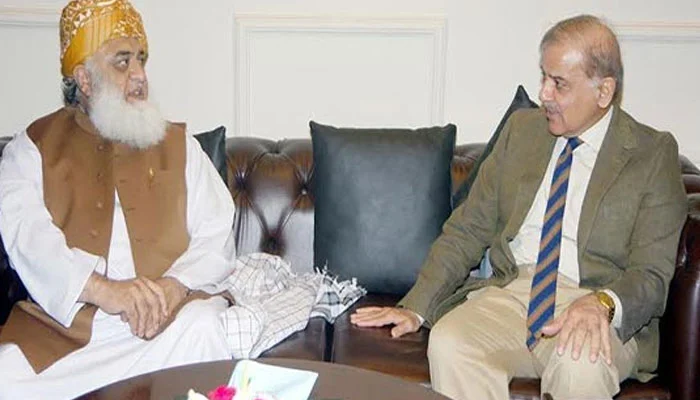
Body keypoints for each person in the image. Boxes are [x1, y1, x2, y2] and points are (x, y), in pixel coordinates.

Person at [351, 15, 687, 400]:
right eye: (544, 77)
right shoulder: (522, 132)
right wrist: (417, 307)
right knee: (450, 342)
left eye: (559, 83)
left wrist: (602, 304)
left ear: (604, 91)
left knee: (580, 363)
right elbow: (468, 229)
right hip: (512, 293)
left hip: (591, 304)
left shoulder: (651, 154)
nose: (544, 93)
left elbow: (651, 274)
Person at [0, 0, 236, 398]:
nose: (140, 75)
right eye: (123, 62)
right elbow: (29, 240)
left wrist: (174, 287)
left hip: (166, 325)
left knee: (205, 329)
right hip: (70, 334)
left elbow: (217, 234)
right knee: (6, 376)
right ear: (84, 78)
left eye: (141, 59)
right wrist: (105, 291)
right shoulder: (31, 150)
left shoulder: (179, 145)